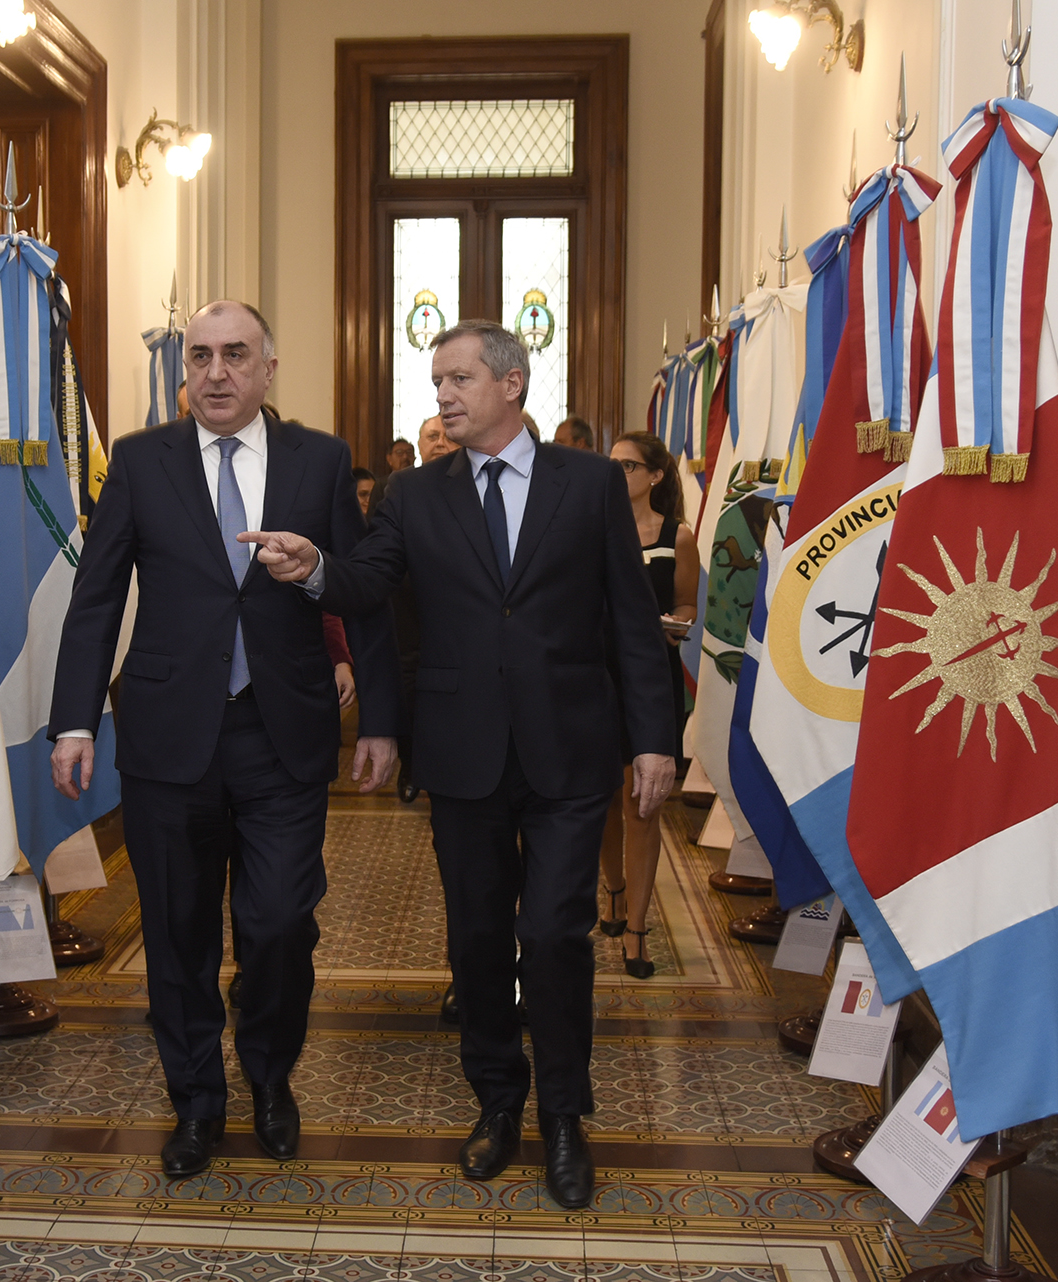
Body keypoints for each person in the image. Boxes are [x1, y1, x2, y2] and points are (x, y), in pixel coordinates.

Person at [240, 319, 675, 1210]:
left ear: (511, 384)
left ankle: (563, 1115)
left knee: (553, 934)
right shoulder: (414, 492)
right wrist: (315, 564)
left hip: (568, 749)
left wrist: (655, 738)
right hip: (465, 753)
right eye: (437, 379)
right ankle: (498, 1103)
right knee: (477, 940)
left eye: (459, 378)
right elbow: (369, 584)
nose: (442, 394)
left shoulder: (588, 484)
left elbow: (632, 623)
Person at [49, 300, 399, 1179]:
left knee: (279, 921)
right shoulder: (138, 462)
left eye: (236, 355)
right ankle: (196, 1102)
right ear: (184, 372)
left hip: (282, 734)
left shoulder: (319, 461)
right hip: (170, 738)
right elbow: (96, 599)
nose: (216, 372)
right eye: (201, 356)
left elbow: (362, 588)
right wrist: (73, 719)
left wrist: (378, 708)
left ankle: (271, 1076)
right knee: (176, 933)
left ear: (268, 369)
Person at [596, 431, 698, 979]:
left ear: (655, 476)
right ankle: (612, 891)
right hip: (598, 678)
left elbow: (686, 602)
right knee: (605, 801)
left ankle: (636, 927)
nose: (617, 475)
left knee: (644, 805)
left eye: (628, 467)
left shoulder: (677, 535)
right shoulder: (592, 527)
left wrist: (676, 624)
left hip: (652, 678)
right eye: (610, 466)